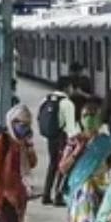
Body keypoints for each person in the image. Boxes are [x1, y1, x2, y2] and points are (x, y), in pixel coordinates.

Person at [39, 77, 80, 207]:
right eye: (71, 87)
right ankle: (58, 196)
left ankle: (46, 194)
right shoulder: (67, 103)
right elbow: (70, 127)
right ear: (67, 87)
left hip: (51, 136)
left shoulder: (46, 99)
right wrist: (76, 141)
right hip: (62, 138)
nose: (72, 90)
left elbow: (40, 118)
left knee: (52, 163)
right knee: (63, 166)